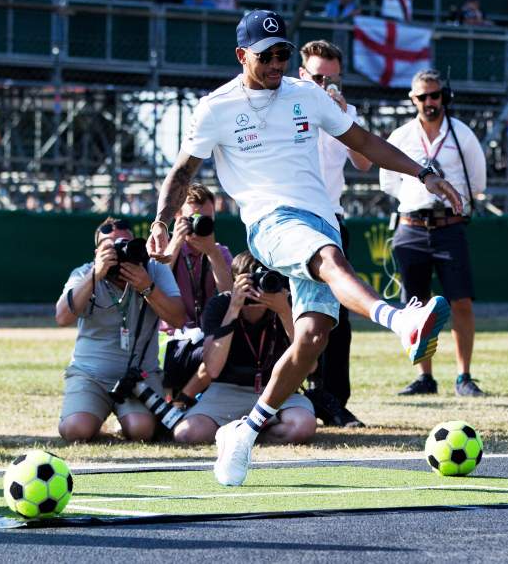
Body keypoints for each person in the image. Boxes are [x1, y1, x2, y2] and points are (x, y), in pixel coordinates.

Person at [147, 10, 462, 486]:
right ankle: (402, 321)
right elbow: (182, 172)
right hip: (271, 222)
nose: (276, 63)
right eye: (266, 55)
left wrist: (424, 173)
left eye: (282, 54)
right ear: (241, 56)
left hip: (321, 219)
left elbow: (363, 141)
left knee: (312, 339)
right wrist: (161, 221)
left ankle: (245, 433)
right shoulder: (216, 107)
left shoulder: (305, 95)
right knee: (330, 261)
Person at [379, 69, 487, 397]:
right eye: (422, 96)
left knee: (462, 302)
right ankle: (425, 376)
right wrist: (417, 200)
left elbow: (478, 183)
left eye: (435, 95)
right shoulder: (401, 136)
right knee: (416, 306)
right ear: (413, 100)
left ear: (444, 96)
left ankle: (463, 376)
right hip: (411, 226)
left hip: (449, 227)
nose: (429, 102)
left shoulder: (462, 134)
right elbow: (388, 183)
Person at [55, 218, 185, 442]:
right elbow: (62, 316)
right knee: (75, 430)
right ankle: (92, 413)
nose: (120, 252)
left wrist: (147, 287)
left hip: (138, 377)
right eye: (111, 247)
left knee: (141, 431)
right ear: (98, 252)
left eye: (125, 244)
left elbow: (177, 318)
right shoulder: (84, 273)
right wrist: (96, 273)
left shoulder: (154, 271)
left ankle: (123, 418)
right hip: (90, 374)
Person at [298, 39, 372, 427]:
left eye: (331, 78)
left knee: (337, 318)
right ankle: (287, 395)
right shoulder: (287, 106)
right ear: (301, 74)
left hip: (331, 220)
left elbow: (363, 162)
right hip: (290, 221)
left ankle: (332, 398)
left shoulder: (346, 112)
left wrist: (344, 118)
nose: (325, 85)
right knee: (284, 312)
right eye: (316, 77)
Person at [170, 252, 316, 445]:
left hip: (278, 388)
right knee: (187, 434)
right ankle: (245, 433)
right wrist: (233, 308)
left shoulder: (288, 303)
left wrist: (284, 311)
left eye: (264, 279)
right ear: (235, 282)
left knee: (302, 426)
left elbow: (310, 366)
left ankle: (247, 437)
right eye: (250, 281)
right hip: (227, 390)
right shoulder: (221, 304)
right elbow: (212, 368)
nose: (257, 288)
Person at [161, 183, 234, 334]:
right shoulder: (164, 248)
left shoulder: (220, 252)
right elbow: (157, 284)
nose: (199, 223)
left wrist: (212, 253)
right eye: (193, 218)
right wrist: (175, 243)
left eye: (207, 219)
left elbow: (230, 296)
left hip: (207, 334)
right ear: (178, 216)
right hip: (170, 334)